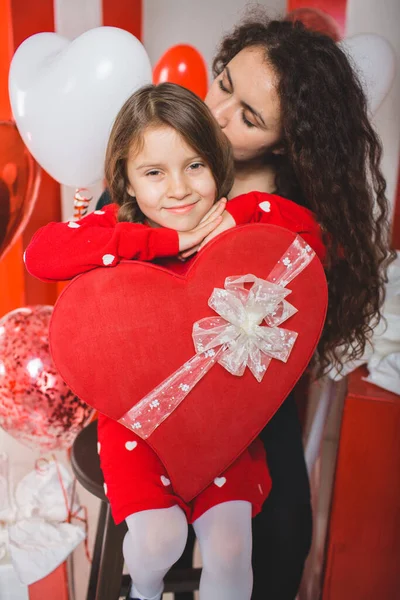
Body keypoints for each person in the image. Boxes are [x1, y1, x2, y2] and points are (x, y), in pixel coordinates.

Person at [93, 15, 394, 599]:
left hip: (245, 398)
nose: (217, 112)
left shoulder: (292, 216)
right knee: (156, 532)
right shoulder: (160, 153)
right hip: (146, 392)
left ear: (286, 140)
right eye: (224, 83)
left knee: (283, 535)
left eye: (248, 116)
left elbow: (286, 346)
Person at [25, 82, 326, 600]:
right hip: (137, 423)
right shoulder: (118, 225)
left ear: (216, 163)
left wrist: (236, 220)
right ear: (127, 180)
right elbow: (42, 255)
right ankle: (141, 592)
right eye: (154, 173)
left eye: (195, 166)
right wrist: (169, 240)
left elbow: (314, 237)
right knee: (157, 542)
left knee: (233, 551)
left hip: (224, 423)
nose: (180, 190)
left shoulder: (242, 215)